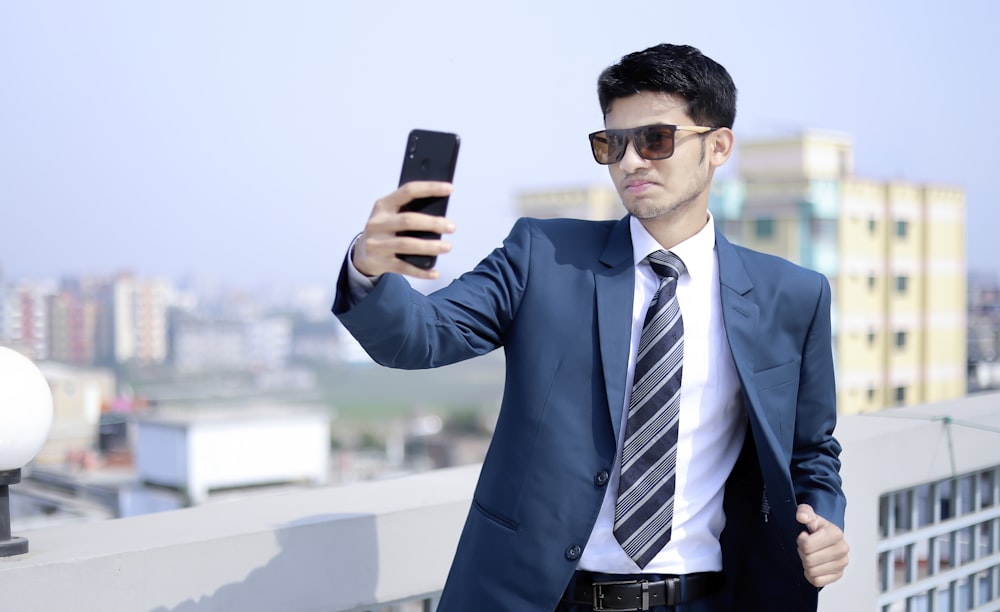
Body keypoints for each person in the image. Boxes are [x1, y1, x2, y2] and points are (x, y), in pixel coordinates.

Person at [333, 43, 849, 612]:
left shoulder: (792, 296)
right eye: (613, 143)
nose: (630, 162)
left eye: (655, 139)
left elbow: (811, 450)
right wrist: (369, 266)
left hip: (709, 598)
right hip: (543, 599)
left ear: (718, 145)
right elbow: (418, 336)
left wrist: (824, 521)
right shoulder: (544, 256)